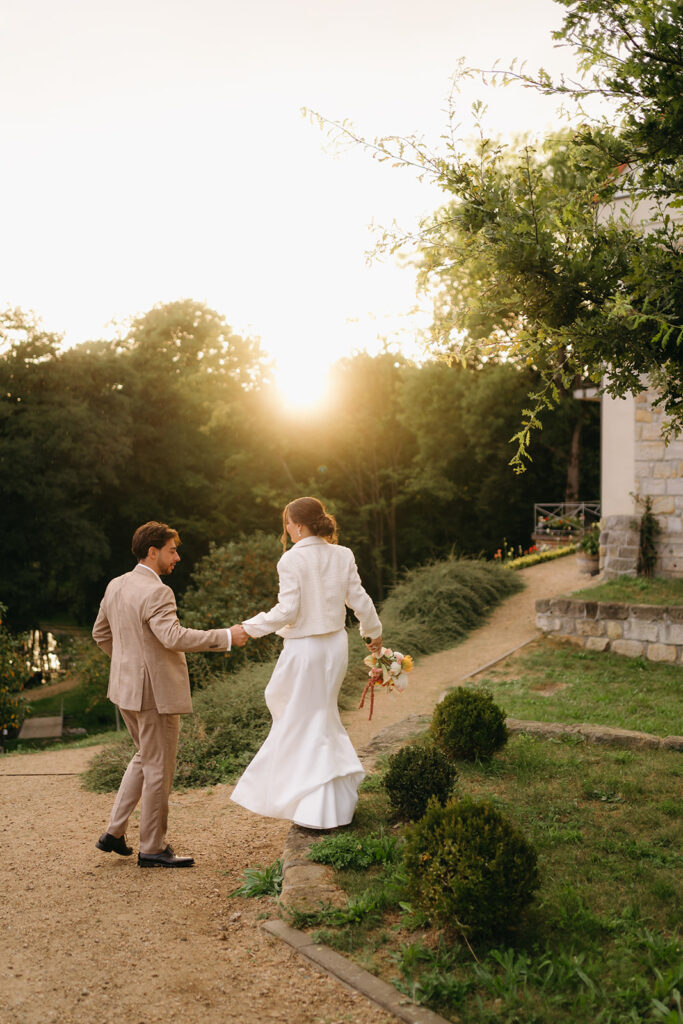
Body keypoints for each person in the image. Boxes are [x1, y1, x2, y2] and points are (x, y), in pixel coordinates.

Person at [92, 521, 248, 867]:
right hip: (154, 696)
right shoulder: (157, 591)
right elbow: (173, 637)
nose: (177, 556)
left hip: (124, 690)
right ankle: (152, 848)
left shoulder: (116, 585)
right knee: (158, 766)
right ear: (153, 552)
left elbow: (99, 633)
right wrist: (225, 637)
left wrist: (127, 666)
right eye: (172, 550)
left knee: (145, 758)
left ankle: (114, 832)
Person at [230, 496, 382, 830]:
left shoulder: (290, 560)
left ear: (298, 525)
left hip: (306, 650)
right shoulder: (343, 555)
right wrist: (374, 633)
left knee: (305, 718)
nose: (286, 529)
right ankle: (330, 802)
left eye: (287, 522)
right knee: (316, 715)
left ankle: (315, 808)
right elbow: (359, 599)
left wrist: (249, 628)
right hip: (335, 646)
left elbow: (287, 611)